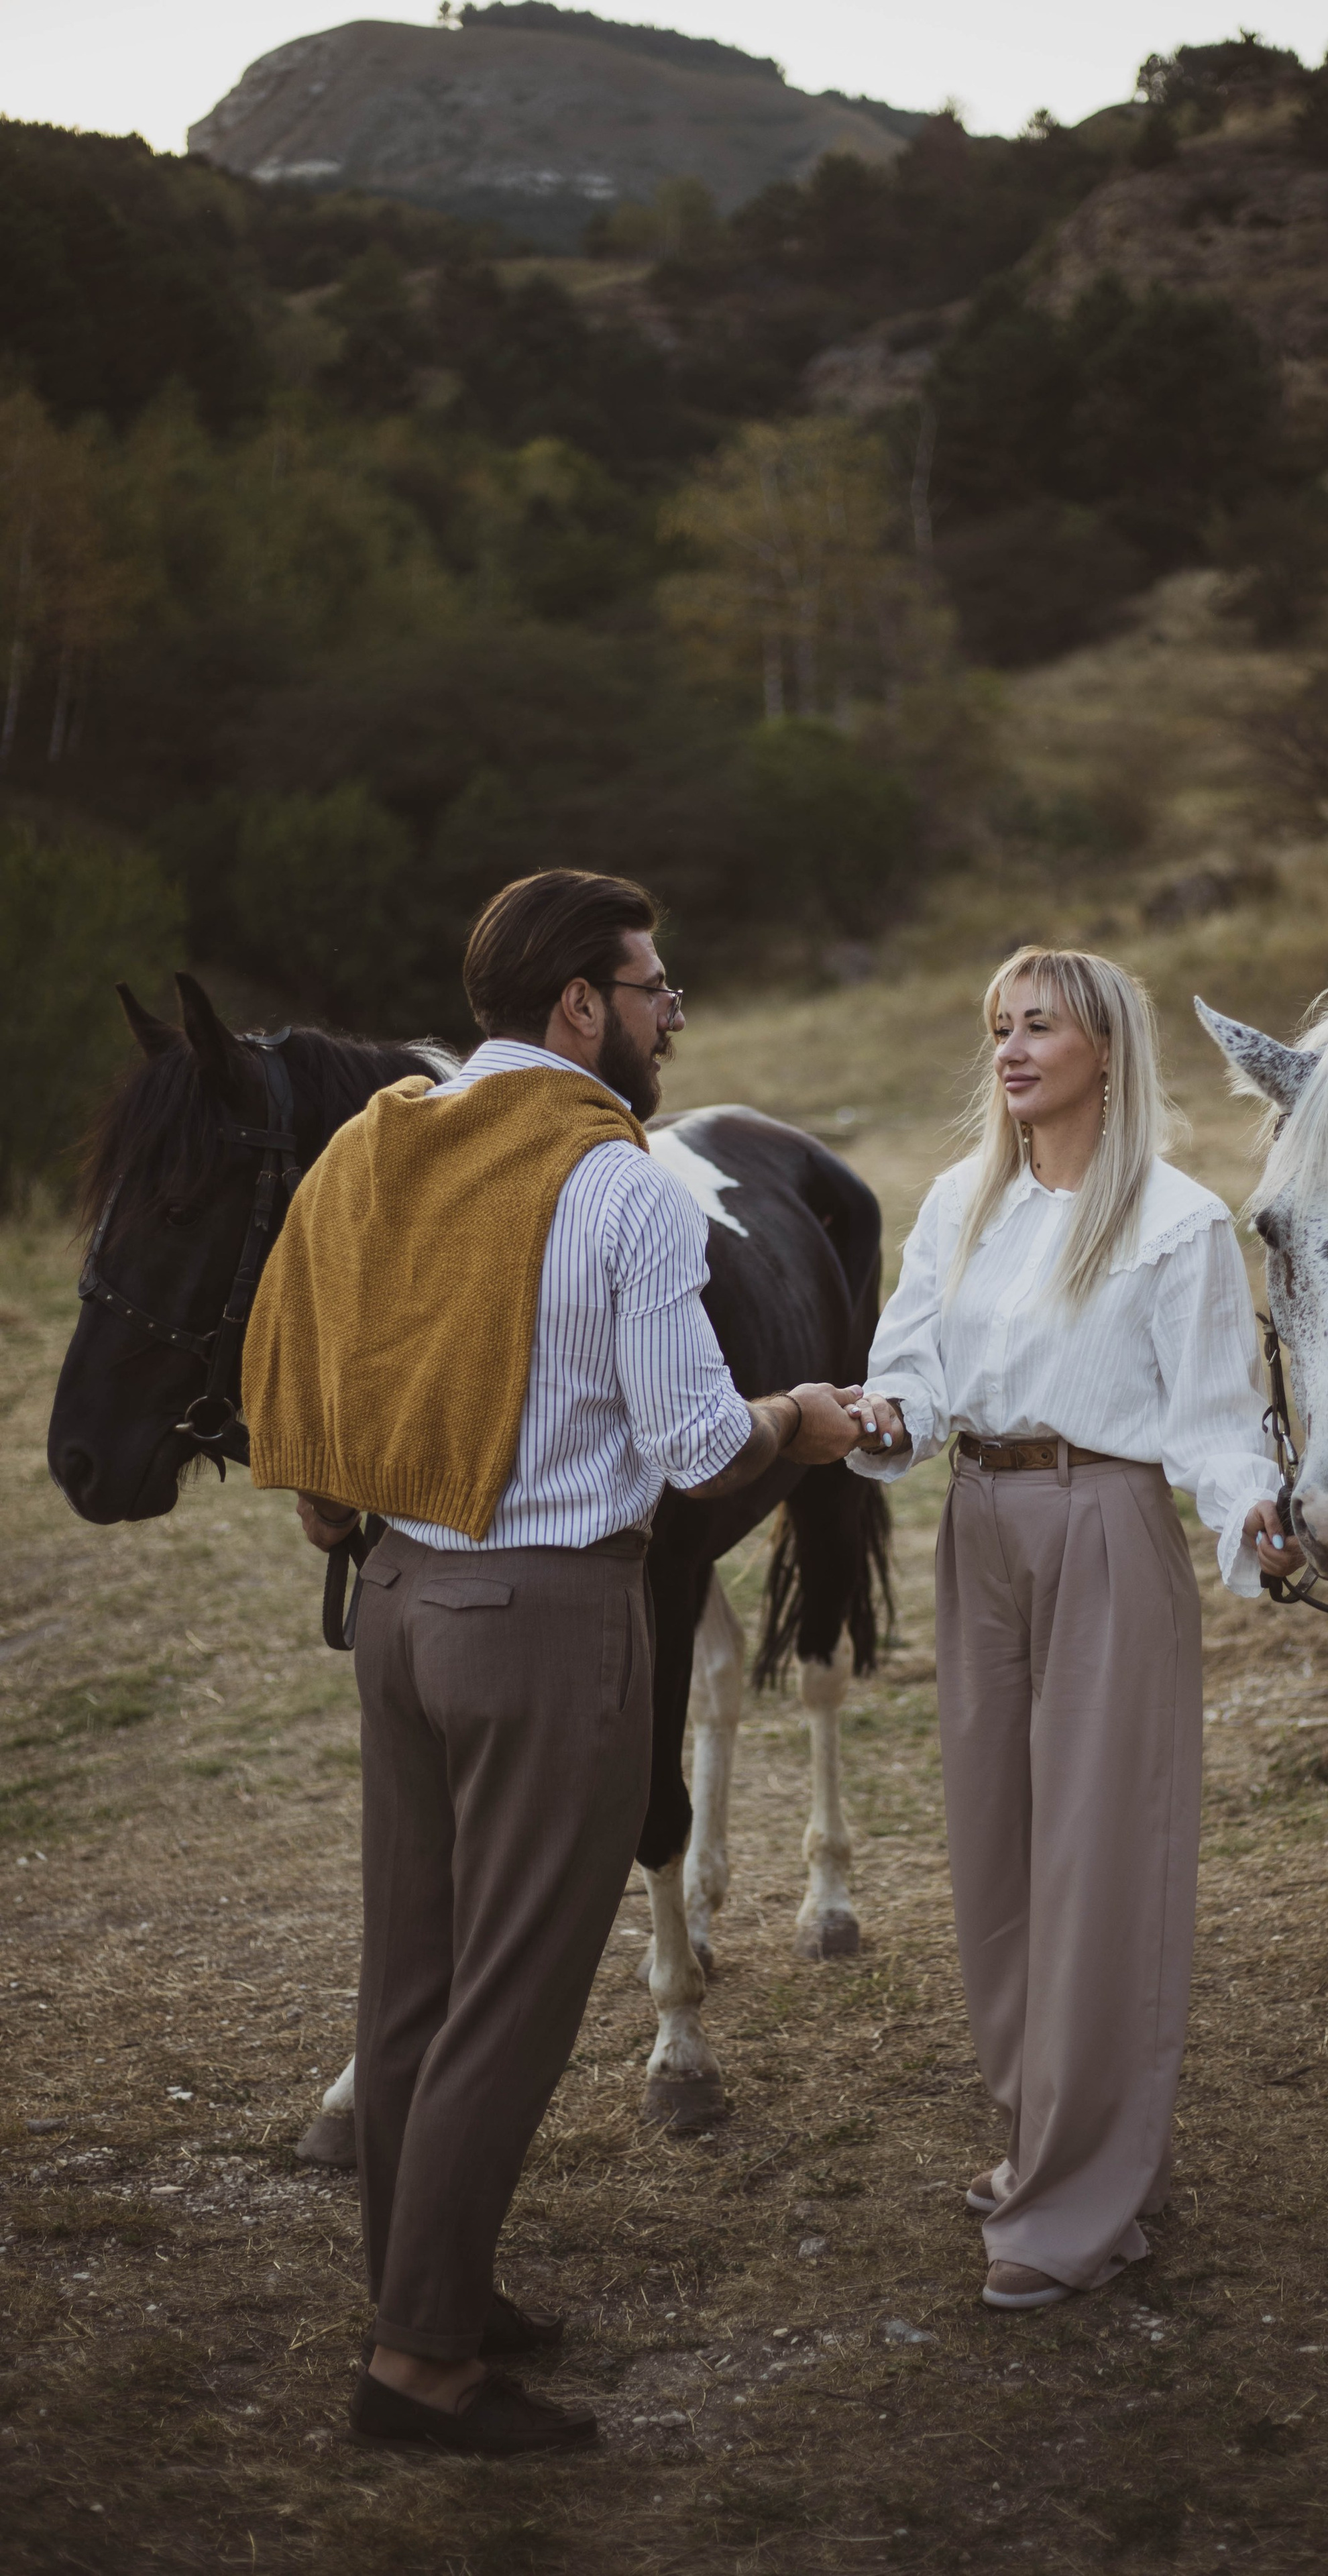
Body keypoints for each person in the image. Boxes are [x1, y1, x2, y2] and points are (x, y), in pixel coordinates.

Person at [243, 869, 861, 2452]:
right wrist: (800, 1418)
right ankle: (420, 2368)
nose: (671, 1019)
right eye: (655, 990)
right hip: (546, 1623)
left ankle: (427, 2287)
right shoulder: (618, 1185)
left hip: (397, 1605)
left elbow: (292, 1355)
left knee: (410, 1982)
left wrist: (333, 1491)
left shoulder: (375, 1145)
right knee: (509, 2000)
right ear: (581, 1005)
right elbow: (699, 1448)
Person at [846, 947, 1302, 2312]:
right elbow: (913, 1365)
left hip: (1104, 1524)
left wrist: (1253, 1508)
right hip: (977, 1525)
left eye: (1038, 1025)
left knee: (1103, 1869)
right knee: (997, 1859)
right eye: (1000, 1026)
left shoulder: (1174, 1221)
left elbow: (1213, 1417)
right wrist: (888, 1413)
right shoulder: (961, 1202)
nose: (1010, 1048)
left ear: (1105, 1050)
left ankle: (1073, 2203)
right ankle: (1048, 2143)